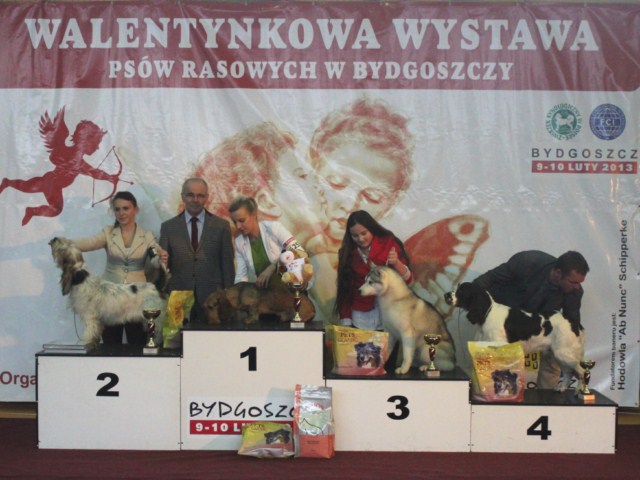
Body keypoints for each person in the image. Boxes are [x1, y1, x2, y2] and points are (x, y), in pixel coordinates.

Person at [473, 250, 590, 388]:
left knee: (557, 348)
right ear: (558, 273)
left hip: (535, 326)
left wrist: (571, 352)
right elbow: (490, 278)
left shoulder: (575, 292)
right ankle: (485, 392)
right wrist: (470, 296)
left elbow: (571, 323)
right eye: (573, 282)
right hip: (504, 318)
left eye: (579, 283)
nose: (577, 287)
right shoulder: (527, 261)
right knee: (492, 358)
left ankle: (547, 396)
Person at [71, 191, 168, 345]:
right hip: (109, 299)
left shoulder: (147, 236)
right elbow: (88, 243)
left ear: (136, 210)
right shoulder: (108, 233)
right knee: (110, 345)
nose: (121, 213)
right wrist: (66, 244)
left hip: (137, 299)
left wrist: (160, 259)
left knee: (137, 344)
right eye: (117, 209)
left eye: (126, 208)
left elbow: (154, 256)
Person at [159, 177, 234, 323]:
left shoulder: (222, 226)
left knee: (211, 337)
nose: (195, 199)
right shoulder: (168, 227)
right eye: (190, 195)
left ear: (207, 198)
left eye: (200, 195)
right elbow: (163, 266)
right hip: (178, 297)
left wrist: (228, 296)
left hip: (213, 300)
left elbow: (228, 265)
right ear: (183, 197)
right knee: (179, 337)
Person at [334, 210, 413, 330]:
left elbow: (409, 282)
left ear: (372, 229)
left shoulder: (389, 243)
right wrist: (346, 322)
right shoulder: (346, 253)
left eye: (364, 233)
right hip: (361, 316)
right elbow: (344, 290)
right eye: (355, 235)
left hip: (391, 313)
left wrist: (397, 263)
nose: (360, 239)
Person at [228, 195, 307, 289]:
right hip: (267, 293)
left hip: (291, 288)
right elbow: (241, 277)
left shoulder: (275, 228)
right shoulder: (239, 242)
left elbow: (299, 252)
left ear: (254, 214)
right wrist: (237, 291)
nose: (238, 226)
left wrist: (273, 267)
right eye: (234, 222)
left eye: (242, 220)